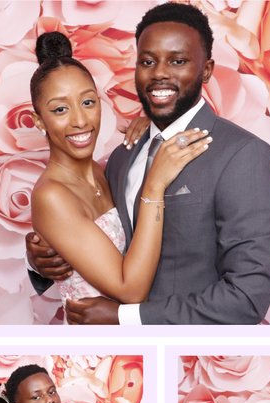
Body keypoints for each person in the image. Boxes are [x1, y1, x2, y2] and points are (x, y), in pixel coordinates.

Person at [27, 2, 270, 325]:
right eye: (148, 61)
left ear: (206, 70)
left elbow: (246, 299)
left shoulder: (244, 157)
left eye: (178, 61)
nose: (160, 73)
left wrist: (128, 317)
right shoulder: (123, 157)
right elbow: (98, 240)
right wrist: (42, 257)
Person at [27, 31, 210, 312]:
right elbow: (130, 289)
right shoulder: (52, 195)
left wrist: (150, 131)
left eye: (88, 102)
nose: (79, 120)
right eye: (60, 109)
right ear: (40, 123)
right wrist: (154, 184)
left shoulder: (110, 169)